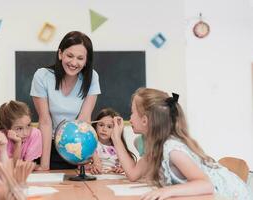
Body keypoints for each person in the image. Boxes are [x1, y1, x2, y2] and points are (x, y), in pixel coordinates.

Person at [111, 88, 253, 200]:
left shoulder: (172, 149)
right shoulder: (156, 147)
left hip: (230, 195)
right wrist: (116, 139)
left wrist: (168, 191)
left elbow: (206, 185)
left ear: (145, 120)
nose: (130, 118)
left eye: (132, 113)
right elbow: (133, 174)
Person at [30, 31, 101, 170]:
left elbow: (84, 120)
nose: (74, 63)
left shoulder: (92, 77)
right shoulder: (42, 76)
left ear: (87, 61)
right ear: (60, 54)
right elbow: (45, 121)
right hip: (48, 147)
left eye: (80, 58)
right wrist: (45, 165)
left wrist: (86, 158)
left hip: (76, 148)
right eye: (70, 56)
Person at [89, 108, 135, 174]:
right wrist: (91, 166)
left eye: (109, 127)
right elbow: (81, 164)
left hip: (113, 180)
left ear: (116, 129)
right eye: (101, 125)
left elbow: (131, 166)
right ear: (95, 126)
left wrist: (122, 168)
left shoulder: (119, 147)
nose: (104, 129)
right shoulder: (90, 145)